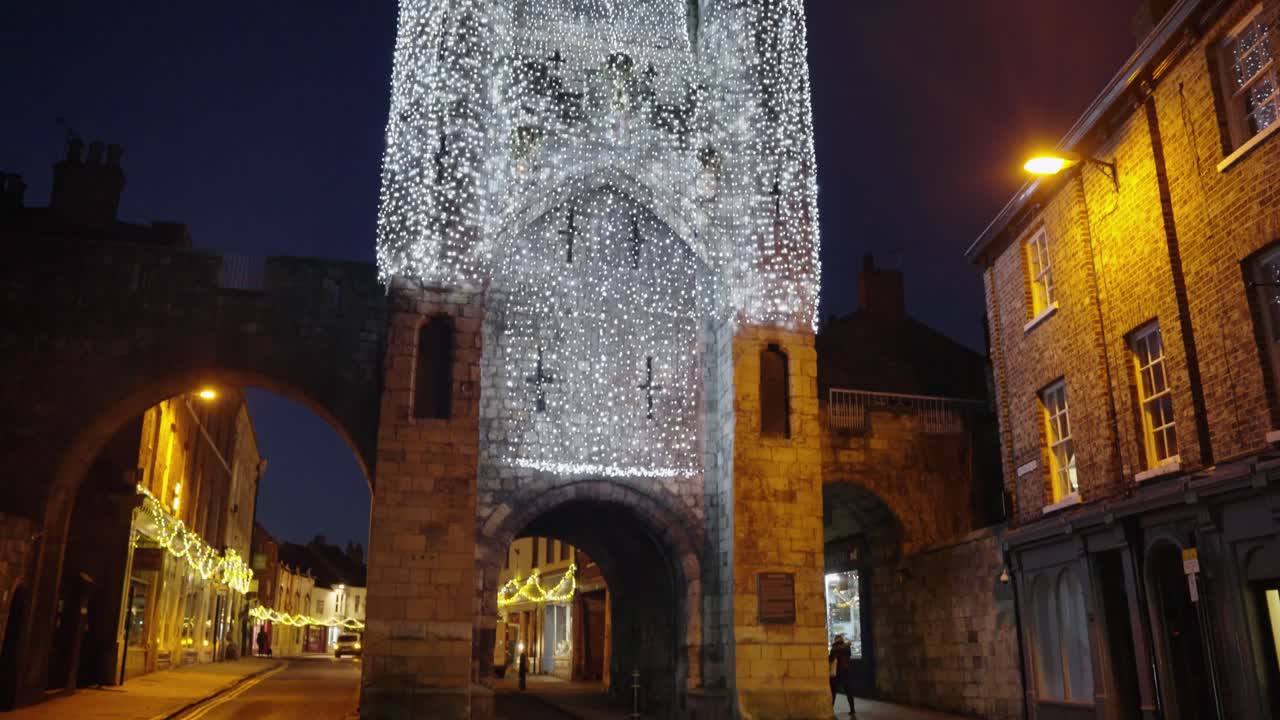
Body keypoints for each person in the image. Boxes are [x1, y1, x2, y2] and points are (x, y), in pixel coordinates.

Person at [828, 634, 856, 718]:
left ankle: (830, 709)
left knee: (833, 691)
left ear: (835, 640)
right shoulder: (847, 648)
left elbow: (831, 659)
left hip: (837, 672)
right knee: (849, 691)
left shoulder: (834, 649)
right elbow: (849, 656)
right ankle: (852, 709)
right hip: (846, 671)